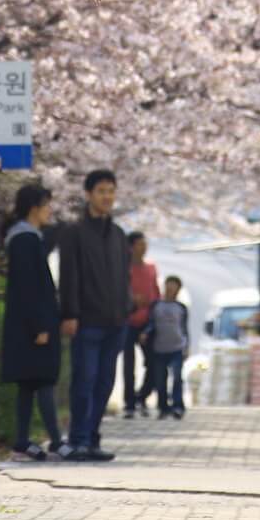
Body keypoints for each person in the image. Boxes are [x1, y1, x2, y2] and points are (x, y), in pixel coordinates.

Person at [59, 166, 130, 461]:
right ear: (88, 195)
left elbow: (123, 275)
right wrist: (69, 314)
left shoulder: (117, 234)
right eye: (101, 191)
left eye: (111, 191)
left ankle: (93, 437)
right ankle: (78, 439)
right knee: (84, 381)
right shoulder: (74, 232)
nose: (107, 197)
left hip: (116, 321)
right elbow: (68, 276)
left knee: (104, 383)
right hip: (87, 320)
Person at [0, 183, 68, 459]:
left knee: (29, 384)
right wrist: (40, 325)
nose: (50, 211)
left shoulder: (27, 237)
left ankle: (23, 440)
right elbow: (29, 287)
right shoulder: (25, 240)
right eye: (46, 205)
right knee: (43, 382)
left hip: (26, 323)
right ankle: (56, 440)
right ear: (34, 208)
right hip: (33, 325)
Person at [124, 231, 160, 418]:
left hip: (148, 322)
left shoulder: (152, 268)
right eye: (139, 244)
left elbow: (156, 293)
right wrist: (132, 301)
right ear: (130, 247)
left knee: (153, 363)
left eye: (145, 244)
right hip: (128, 322)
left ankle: (142, 396)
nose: (143, 247)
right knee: (128, 365)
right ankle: (129, 403)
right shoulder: (124, 269)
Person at [147, 275, 190, 419]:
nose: (170, 289)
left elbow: (184, 329)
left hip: (177, 348)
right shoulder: (156, 305)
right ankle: (163, 407)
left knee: (177, 377)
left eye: (174, 286)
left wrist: (186, 347)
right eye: (168, 285)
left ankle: (178, 406)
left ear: (178, 290)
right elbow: (151, 323)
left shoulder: (181, 308)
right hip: (159, 348)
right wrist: (145, 333)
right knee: (160, 380)